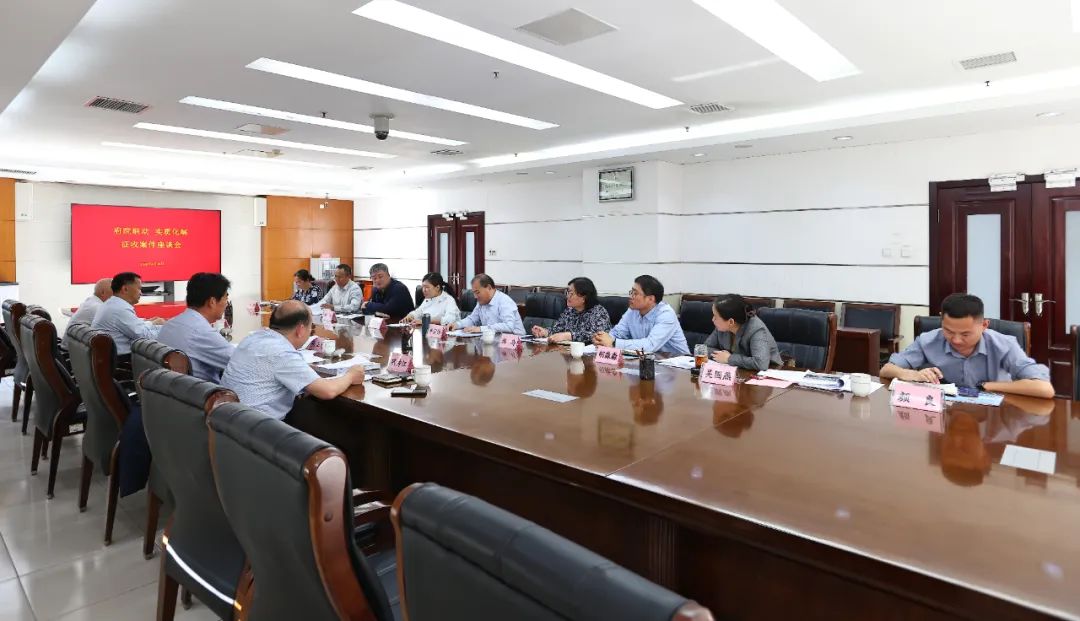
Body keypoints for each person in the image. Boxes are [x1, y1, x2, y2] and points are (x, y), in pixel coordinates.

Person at [880, 293, 1054, 399]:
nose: (956, 340)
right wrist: (913, 374)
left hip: (992, 416)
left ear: (984, 325)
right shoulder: (929, 340)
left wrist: (988, 386)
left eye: (965, 334)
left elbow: (1044, 389)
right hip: (947, 414)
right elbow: (886, 370)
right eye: (948, 331)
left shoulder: (1004, 345)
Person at [221, 300, 365, 422]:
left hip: (226, 423)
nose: (310, 332)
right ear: (300, 330)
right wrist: (351, 375)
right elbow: (328, 391)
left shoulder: (253, 338)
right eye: (311, 327)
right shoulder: (282, 352)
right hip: (254, 432)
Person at [157, 272, 234, 383]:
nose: (227, 304)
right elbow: (241, 362)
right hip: (202, 392)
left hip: (171, 390)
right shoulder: (201, 331)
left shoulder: (171, 324)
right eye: (226, 298)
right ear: (212, 302)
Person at [593, 275, 689, 355]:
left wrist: (614, 343)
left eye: (635, 293)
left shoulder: (666, 314)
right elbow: (617, 333)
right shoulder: (632, 311)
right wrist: (601, 339)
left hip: (677, 365)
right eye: (631, 292)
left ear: (650, 299)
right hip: (647, 360)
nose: (631, 297)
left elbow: (650, 345)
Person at [91, 272, 164, 356]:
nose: (141, 293)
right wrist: (166, 329)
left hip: (112, 355)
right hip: (123, 359)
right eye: (139, 289)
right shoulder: (120, 308)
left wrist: (152, 324)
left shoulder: (112, 304)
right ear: (125, 289)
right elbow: (145, 336)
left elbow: (137, 327)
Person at [704, 294, 781, 371]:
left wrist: (729, 358)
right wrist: (721, 356)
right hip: (737, 370)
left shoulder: (756, 329)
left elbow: (761, 363)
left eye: (716, 317)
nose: (713, 319)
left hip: (768, 372)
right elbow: (705, 349)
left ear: (731, 322)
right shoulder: (722, 327)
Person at [532, 277, 611, 343]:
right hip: (567, 352)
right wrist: (545, 332)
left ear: (584, 298)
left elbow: (597, 336)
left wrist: (568, 336)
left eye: (571, 293)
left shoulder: (599, 312)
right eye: (567, 293)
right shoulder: (570, 310)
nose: (567, 296)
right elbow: (557, 329)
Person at [448, 274, 525, 335]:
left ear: (489, 287)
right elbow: (472, 319)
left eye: (477, 292)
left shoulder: (504, 301)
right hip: (493, 341)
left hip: (516, 343)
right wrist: (457, 325)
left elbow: (508, 326)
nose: (475, 297)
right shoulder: (482, 302)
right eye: (474, 293)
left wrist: (480, 329)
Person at [62, 278, 112, 349]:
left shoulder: (90, 301)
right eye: (115, 293)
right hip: (73, 352)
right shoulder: (98, 308)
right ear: (103, 293)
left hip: (71, 349)